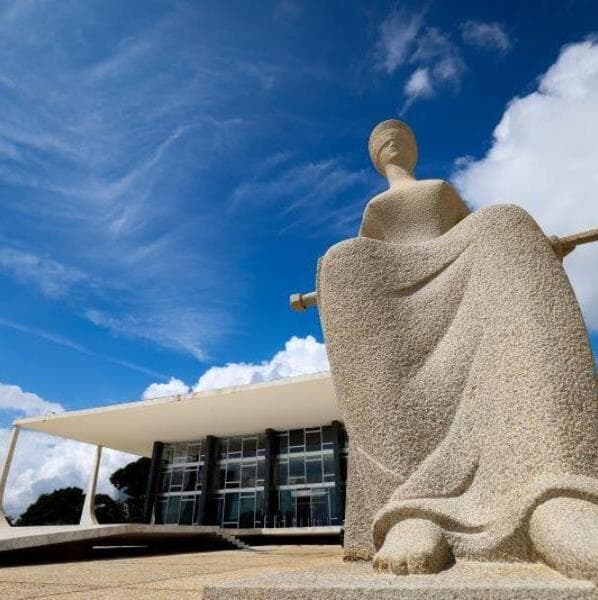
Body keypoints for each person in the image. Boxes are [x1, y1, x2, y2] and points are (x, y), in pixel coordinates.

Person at [317, 119, 598, 580]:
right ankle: (413, 509)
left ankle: (556, 495)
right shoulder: (374, 209)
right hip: (393, 281)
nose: (391, 144)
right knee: (343, 260)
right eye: (381, 142)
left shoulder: (440, 190)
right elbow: (373, 248)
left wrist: (534, 247)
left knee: (504, 220)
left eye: (399, 138)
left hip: (459, 257)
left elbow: (463, 227)